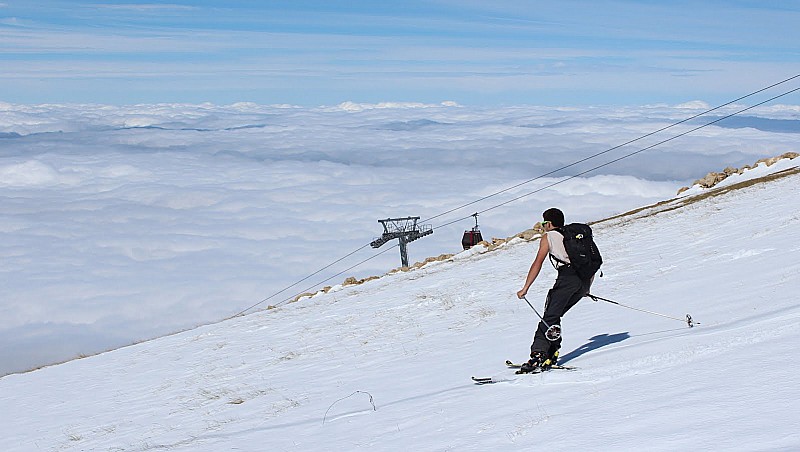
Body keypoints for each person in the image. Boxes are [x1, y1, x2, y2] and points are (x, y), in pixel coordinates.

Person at [516, 208, 591, 373]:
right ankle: (551, 352)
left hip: (567, 278)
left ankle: (538, 355)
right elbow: (591, 262)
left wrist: (525, 288)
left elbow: (538, 262)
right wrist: (586, 288)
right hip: (583, 281)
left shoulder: (549, 237)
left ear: (549, 223)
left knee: (549, 316)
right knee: (554, 315)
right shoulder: (574, 236)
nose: (543, 226)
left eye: (544, 223)